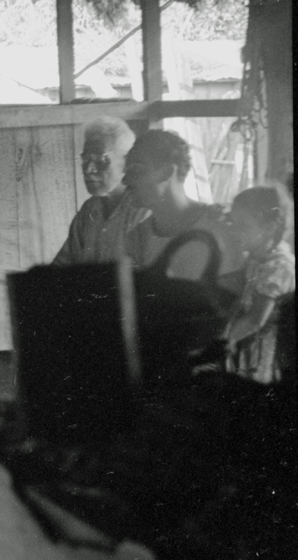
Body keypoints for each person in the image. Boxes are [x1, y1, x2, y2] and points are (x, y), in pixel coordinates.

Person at [122, 129, 240, 281]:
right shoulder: (137, 239)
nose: (125, 181)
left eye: (136, 170)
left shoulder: (218, 226)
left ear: (167, 172)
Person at [223, 185, 295, 383]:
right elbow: (243, 281)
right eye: (233, 223)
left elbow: (256, 320)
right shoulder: (259, 255)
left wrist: (225, 339)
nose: (235, 232)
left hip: (270, 349)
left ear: (269, 228)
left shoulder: (279, 267)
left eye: (243, 226)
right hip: (252, 340)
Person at [53, 116, 147, 266]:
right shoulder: (89, 211)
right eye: (85, 159)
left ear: (127, 162)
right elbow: (61, 267)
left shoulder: (142, 212)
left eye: (100, 159)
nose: (89, 169)